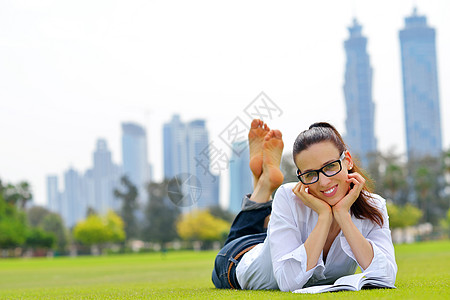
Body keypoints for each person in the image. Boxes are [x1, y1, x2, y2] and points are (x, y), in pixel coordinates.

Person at [212, 119, 397, 292]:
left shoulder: (374, 206)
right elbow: (288, 283)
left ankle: (263, 181)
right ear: (300, 175)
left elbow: (385, 276)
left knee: (269, 238)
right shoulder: (289, 196)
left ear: (347, 160)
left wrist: (342, 215)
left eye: (330, 166)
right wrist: (324, 217)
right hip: (238, 258)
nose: (324, 182)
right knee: (243, 237)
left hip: (272, 244)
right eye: (310, 174)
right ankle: (262, 185)